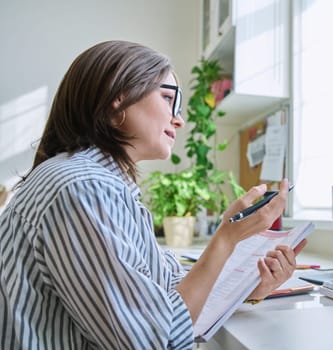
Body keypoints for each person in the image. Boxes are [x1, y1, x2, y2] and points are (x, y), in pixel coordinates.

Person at [0, 40, 306, 349]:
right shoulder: (83, 187)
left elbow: (164, 290)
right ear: (116, 101)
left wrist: (249, 288)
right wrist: (225, 240)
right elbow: (154, 341)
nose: (179, 119)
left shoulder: (102, 184)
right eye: (167, 98)